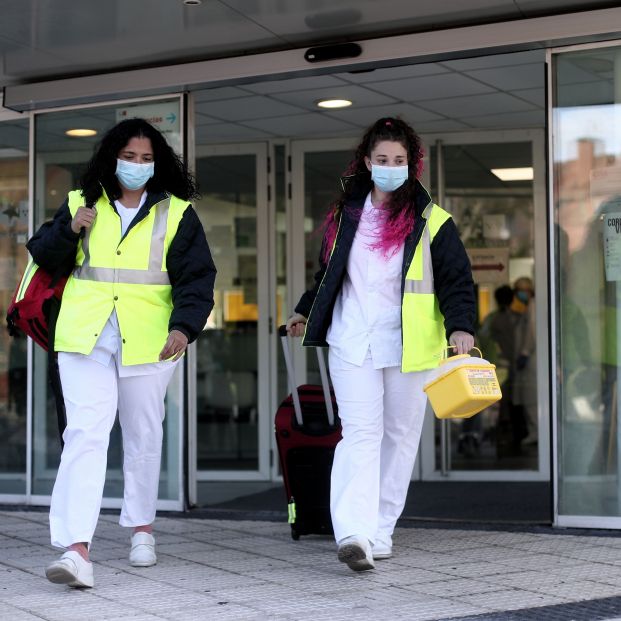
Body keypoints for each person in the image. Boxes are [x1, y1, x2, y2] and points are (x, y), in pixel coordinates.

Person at [27, 118, 217, 588]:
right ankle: (75, 549)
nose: (136, 165)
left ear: (158, 163)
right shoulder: (81, 202)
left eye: (146, 158)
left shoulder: (177, 214)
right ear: (112, 157)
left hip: (150, 340)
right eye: (129, 156)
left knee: (142, 433)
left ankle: (141, 528)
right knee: (85, 435)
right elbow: (43, 256)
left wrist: (183, 328)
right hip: (84, 338)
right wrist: (71, 230)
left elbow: (197, 279)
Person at [286, 117, 475, 572]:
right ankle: (353, 532)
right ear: (367, 163)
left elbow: (456, 280)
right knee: (360, 434)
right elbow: (330, 276)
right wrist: (304, 308)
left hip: (412, 345)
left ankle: (381, 528)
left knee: (399, 436)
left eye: (399, 161)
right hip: (353, 338)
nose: (391, 167)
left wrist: (461, 326)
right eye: (382, 160)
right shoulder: (344, 216)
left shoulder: (432, 220)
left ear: (412, 165)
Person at [512, 276, 537, 445]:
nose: (519, 294)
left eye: (521, 290)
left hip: (532, 360)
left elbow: (531, 331)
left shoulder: (533, 306)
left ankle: (536, 432)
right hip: (528, 359)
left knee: (531, 399)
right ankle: (534, 431)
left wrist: (525, 352)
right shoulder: (528, 307)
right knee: (528, 398)